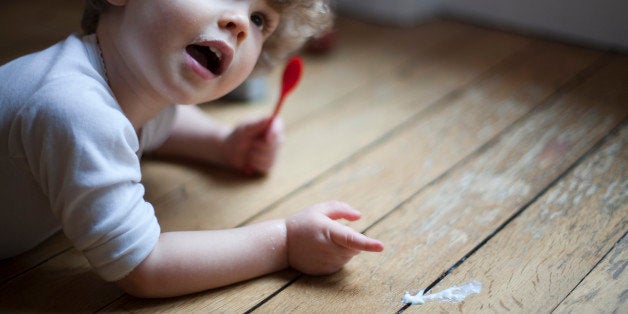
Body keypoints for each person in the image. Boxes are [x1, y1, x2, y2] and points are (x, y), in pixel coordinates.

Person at [0, 0, 384, 298]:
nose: (239, 23)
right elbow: (143, 266)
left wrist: (222, 144)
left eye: (260, 19)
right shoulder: (74, 110)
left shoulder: (128, 85)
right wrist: (284, 242)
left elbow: (160, 123)